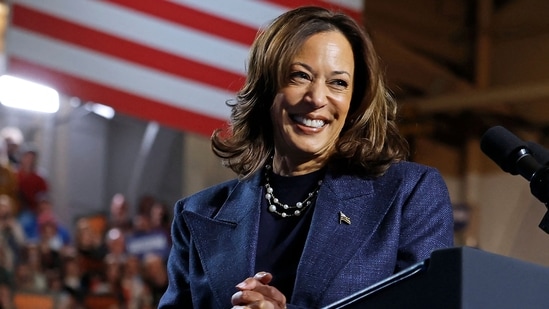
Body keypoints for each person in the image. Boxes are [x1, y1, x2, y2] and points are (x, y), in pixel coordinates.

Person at [159, 6, 454, 309]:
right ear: (266, 87)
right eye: (300, 76)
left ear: (355, 102)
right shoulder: (198, 214)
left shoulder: (408, 193)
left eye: (338, 83)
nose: (316, 98)